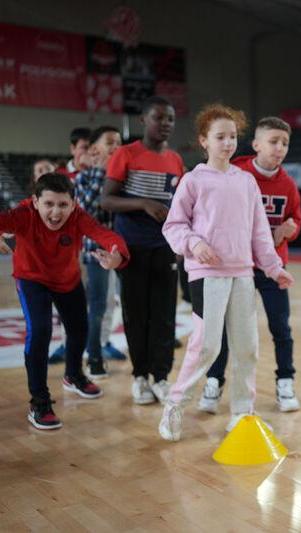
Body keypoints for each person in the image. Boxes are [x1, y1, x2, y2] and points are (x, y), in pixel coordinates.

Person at [158, 104, 294, 441]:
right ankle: (174, 405)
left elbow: (260, 233)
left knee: (248, 346)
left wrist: (274, 267)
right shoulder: (193, 181)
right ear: (204, 140)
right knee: (206, 347)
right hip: (207, 275)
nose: (228, 143)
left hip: (243, 275)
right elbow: (173, 226)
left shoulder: (246, 182)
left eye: (233, 136)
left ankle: (242, 413)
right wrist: (193, 243)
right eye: (221, 137)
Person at [0, 173, 128, 429]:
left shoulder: (78, 216)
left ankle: (74, 375)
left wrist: (117, 255)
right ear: (35, 202)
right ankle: (39, 402)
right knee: (40, 332)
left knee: (80, 330)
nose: (56, 213)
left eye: (62, 205)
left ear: (73, 203)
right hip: (31, 279)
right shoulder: (23, 215)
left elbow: (108, 236)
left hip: (67, 281)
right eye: (49, 204)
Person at [201, 116, 301, 414]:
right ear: (256, 144)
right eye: (273, 141)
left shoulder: (288, 185)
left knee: (281, 328)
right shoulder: (237, 174)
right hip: (237, 267)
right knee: (223, 330)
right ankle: (213, 381)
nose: (279, 148)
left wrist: (290, 229)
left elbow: (296, 220)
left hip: (272, 267)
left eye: (284, 143)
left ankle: (285, 382)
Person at [101, 96, 184, 405]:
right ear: (143, 121)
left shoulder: (176, 160)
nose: (165, 124)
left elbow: (182, 205)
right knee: (136, 314)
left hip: (164, 247)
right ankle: (140, 377)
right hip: (131, 247)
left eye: (171, 119)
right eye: (159, 117)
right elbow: (106, 200)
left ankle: (161, 377)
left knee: (165, 315)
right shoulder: (126, 154)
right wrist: (143, 203)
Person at [75, 125, 126, 379]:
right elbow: (89, 212)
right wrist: (99, 171)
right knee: (97, 306)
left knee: (122, 304)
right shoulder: (83, 178)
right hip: (97, 252)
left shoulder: (124, 177)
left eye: (119, 142)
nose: (116, 147)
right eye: (110, 142)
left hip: (125, 251)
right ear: (95, 149)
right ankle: (93, 355)